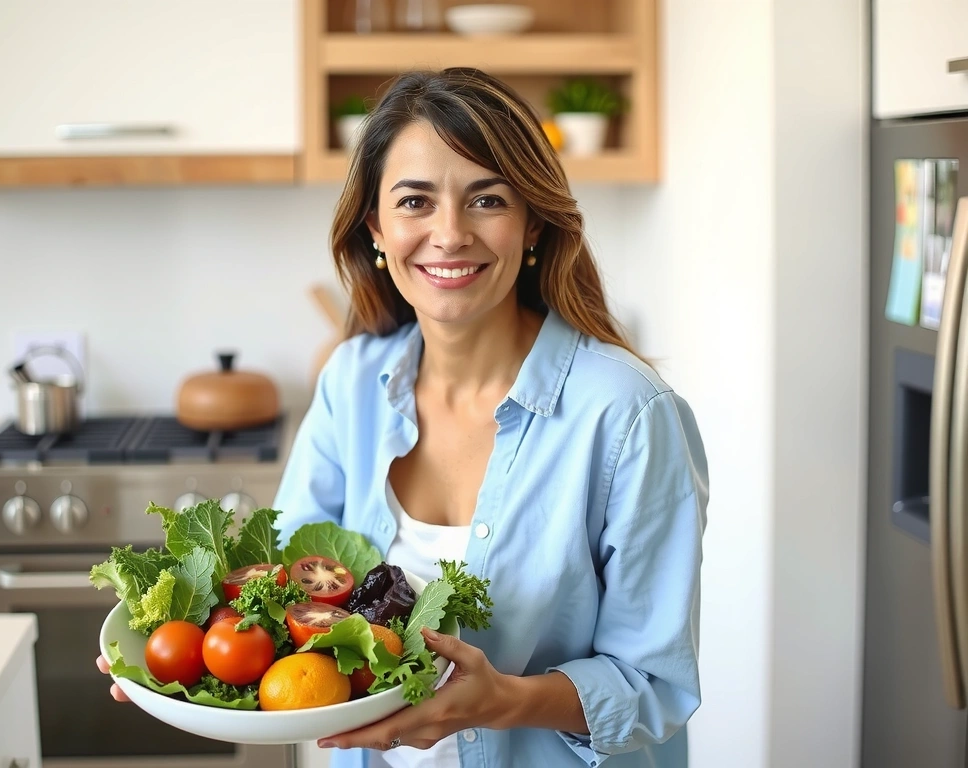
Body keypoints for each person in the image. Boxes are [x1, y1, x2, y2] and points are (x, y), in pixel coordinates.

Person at [99, 66, 708, 768]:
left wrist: (503, 699)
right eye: (416, 201)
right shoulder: (352, 382)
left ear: (533, 222)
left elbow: (653, 688)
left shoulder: (629, 416)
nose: (449, 234)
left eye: (487, 199)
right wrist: (175, 647)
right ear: (377, 230)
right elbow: (288, 585)